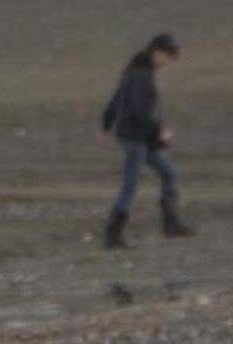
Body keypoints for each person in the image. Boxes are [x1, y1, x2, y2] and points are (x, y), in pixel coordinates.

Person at [99, 33, 194, 249]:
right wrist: (160, 131)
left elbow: (116, 99)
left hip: (138, 135)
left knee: (167, 172)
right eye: (168, 56)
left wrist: (106, 124)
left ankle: (171, 224)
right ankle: (113, 235)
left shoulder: (135, 70)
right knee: (130, 184)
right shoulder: (141, 74)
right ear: (157, 52)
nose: (168, 61)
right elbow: (139, 110)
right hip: (135, 137)